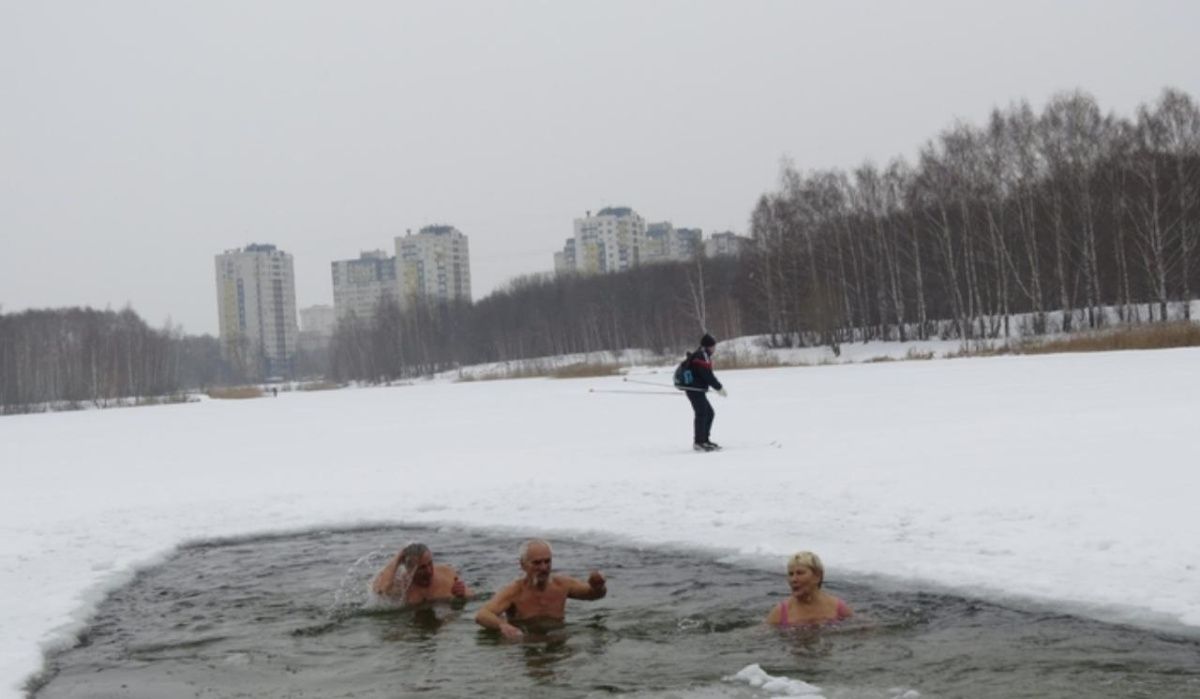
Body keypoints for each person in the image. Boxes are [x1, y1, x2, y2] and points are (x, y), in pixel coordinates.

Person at [475, 538, 606, 640]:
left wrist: (598, 586)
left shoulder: (562, 584)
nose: (543, 568)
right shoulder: (514, 591)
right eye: (537, 563)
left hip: (557, 637)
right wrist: (503, 626)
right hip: (526, 642)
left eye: (547, 561)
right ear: (523, 565)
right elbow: (482, 615)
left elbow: (593, 595)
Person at [765, 551, 852, 628]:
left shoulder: (838, 608)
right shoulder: (780, 613)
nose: (793, 579)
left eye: (800, 573)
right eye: (791, 574)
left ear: (817, 576)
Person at [371, 542, 471, 604]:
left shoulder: (446, 573)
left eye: (430, 564)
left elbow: (472, 596)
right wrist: (397, 558)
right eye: (422, 568)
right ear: (410, 570)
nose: (428, 571)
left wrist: (461, 595)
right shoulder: (401, 585)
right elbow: (379, 591)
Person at [683, 333, 726, 451]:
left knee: (709, 413)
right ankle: (699, 442)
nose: (714, 349)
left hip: (697, 389)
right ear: (707, 346)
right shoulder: (702, 355)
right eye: (713, 346)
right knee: (702, 413)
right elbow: (707, 375)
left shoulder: (702, 354)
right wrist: (719, 388)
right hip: (694, 389)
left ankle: (704, 440)